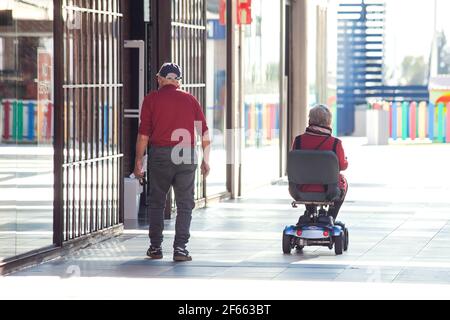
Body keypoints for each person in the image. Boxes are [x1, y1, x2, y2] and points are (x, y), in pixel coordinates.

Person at [133, 63, 210, 262]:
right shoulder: (190, 99)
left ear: (160, 79)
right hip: (186, 153)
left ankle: (155, 247)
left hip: (161, 154)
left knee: (157, 202)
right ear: (178, 81)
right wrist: (205, 160)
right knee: (185, 203)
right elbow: (205, 133)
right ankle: (180, 249)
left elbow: (143, 136)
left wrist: (138, 162)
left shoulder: (151, 99)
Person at [291, 104, 348, 222]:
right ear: (328, 121)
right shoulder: (335, 143)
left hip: (301, 189)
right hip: (329, 191)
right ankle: (330, 217)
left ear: (310, 120)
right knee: (343, 181)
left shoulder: (298, 141)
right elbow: (342, 166)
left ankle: (310, 211)